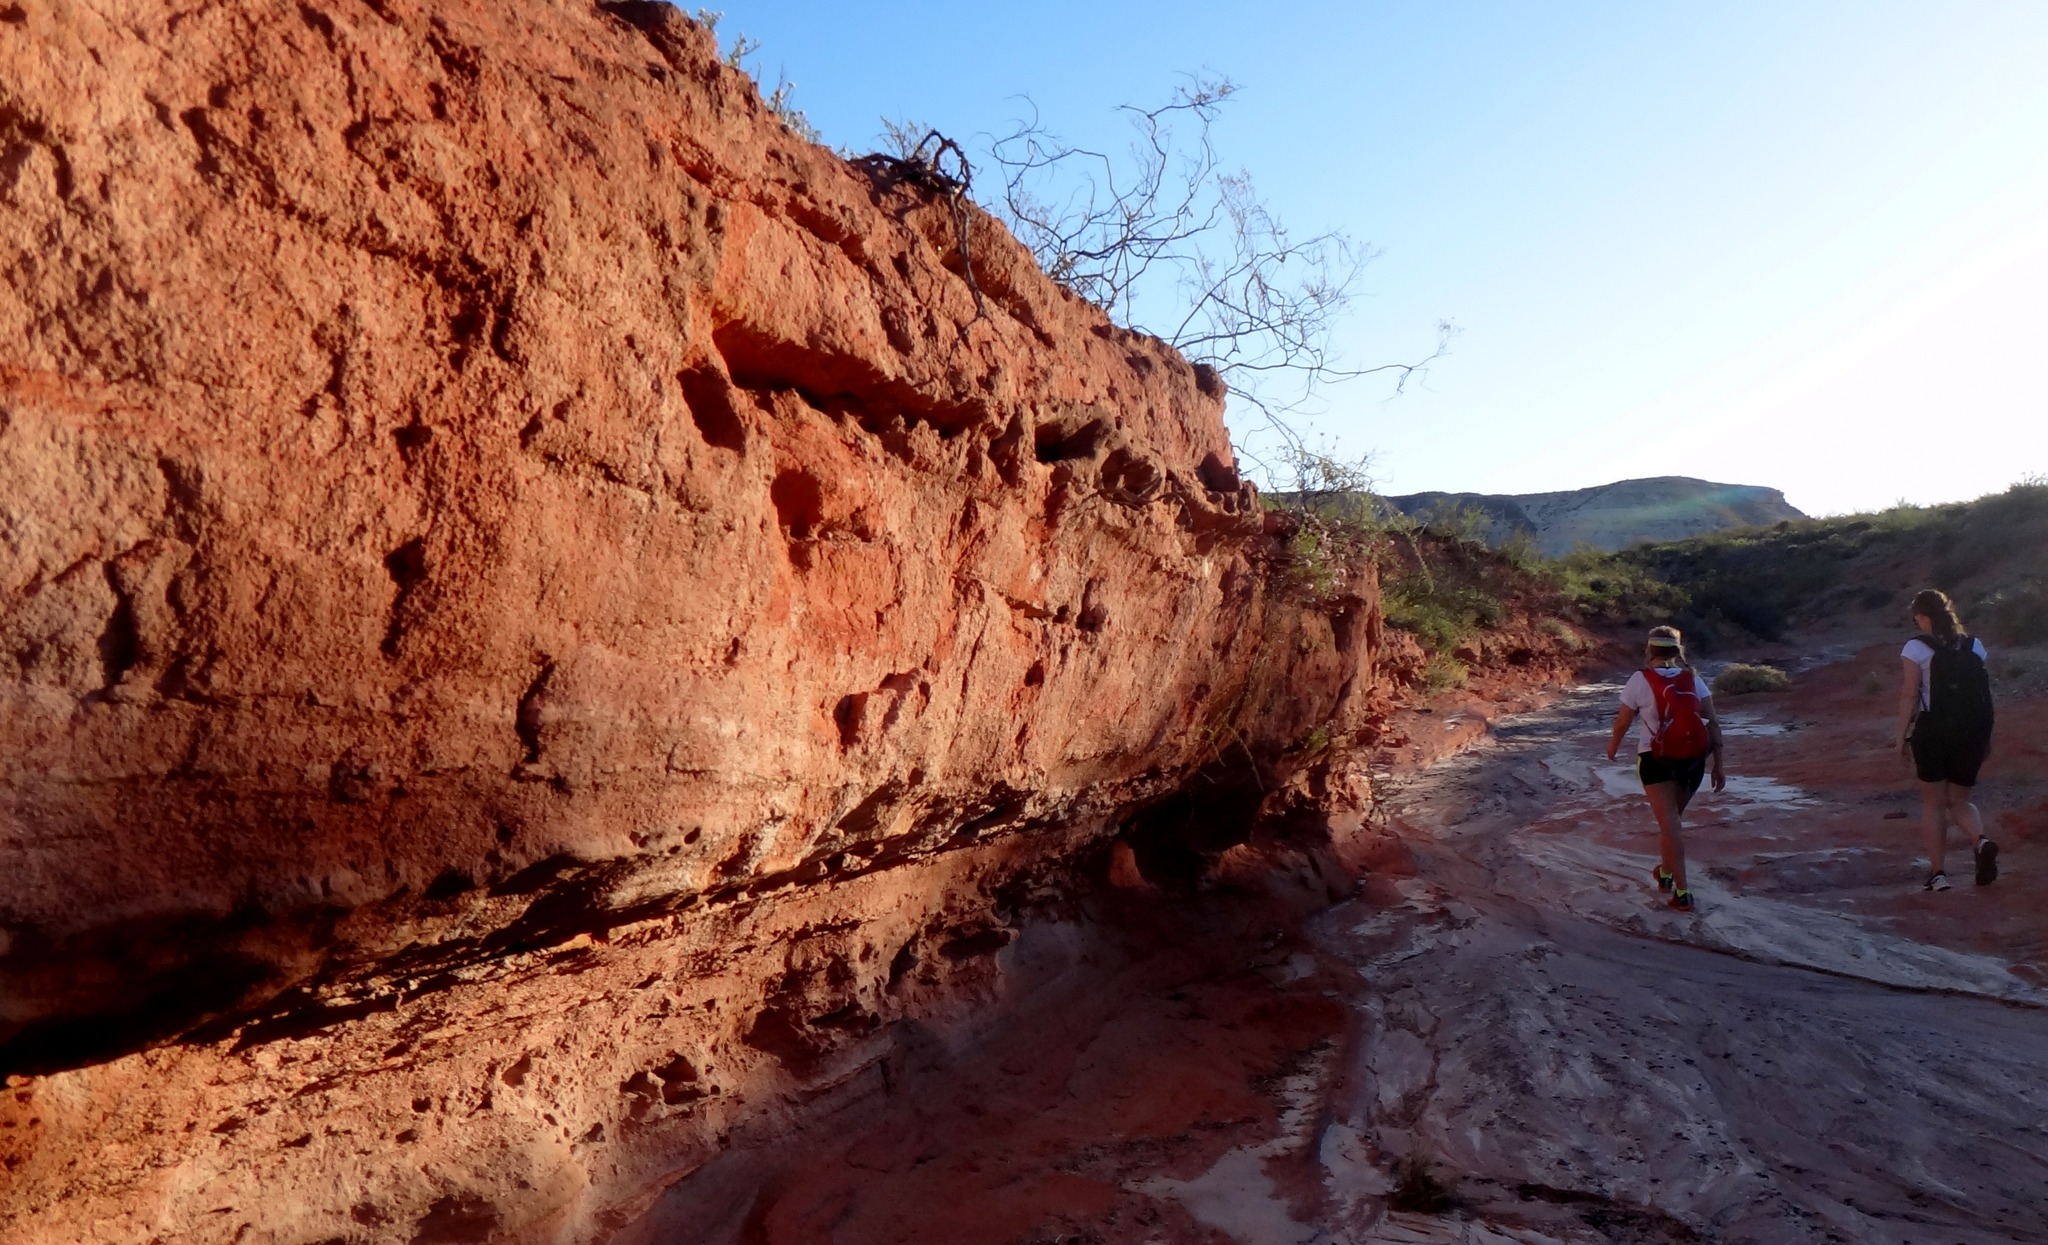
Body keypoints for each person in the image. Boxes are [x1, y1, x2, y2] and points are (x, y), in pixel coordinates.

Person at [1606, 625, 1726, 910]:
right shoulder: (1693, 678)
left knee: (1670, 827)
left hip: (1655, 759)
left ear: (1650, 650)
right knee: (1671, 824)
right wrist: (1718, 766)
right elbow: (1713, 722)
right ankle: (1666, 873)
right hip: (1693, 761)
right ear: (1677, 650)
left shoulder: (1639, 679)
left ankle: (1683, 893)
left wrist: (1613, 745)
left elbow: (1623, 720)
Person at [1896, 588, 1999, 891]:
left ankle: (1938, 874)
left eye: (1916, 616)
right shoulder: (1974, 645)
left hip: (1933, 731)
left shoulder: (1915, 648)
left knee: (1933, 804)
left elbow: (1909, 694)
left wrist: (1900, 736)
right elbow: (1982, 694)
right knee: (1961, 801)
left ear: (1923, 616)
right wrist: (1986, 735)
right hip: (1972, 731)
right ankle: (1981, 841)